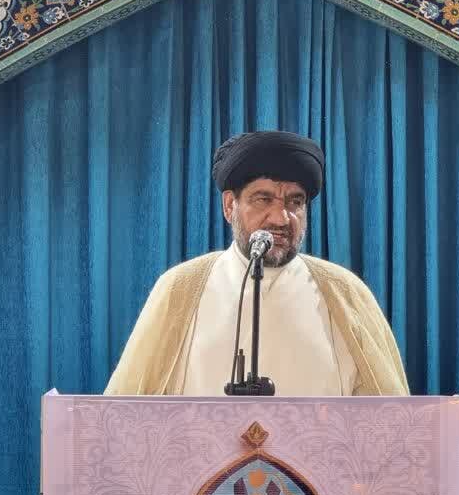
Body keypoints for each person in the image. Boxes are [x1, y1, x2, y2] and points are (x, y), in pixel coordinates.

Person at [105, 130, 408, 396]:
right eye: (263, 199)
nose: (281, 218)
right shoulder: (180, 288)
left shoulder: (345, 292)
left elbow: (391, 419)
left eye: (295, 202)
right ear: (229, 206)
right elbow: (125, 411)